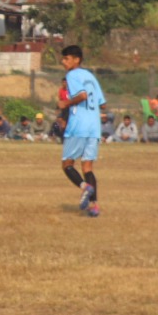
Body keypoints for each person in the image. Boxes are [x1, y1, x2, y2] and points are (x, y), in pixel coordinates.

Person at [59, 44, 105, 217]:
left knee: (67, 164)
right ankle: (94, 206)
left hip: (79, 125)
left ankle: (85, 187)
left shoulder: (72, 75)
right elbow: (102, 103)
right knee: (87, 167)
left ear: (76, 60)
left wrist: (66, 103)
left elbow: (82, 95)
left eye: (66, 59)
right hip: (94, 126)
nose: (63, 62)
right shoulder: (90, 76)